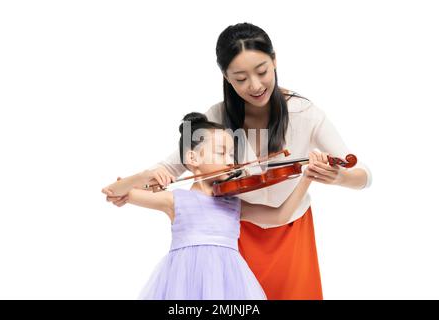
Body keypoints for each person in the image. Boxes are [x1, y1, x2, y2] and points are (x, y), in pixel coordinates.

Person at [103, 23, 372, 300]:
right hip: (232, 232)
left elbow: (363, 175)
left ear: (275, 60)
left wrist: (335, 176)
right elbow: (173, 165)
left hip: (292, 227)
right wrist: (144, 179)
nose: (255, 86)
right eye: (241, 78)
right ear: (225, 76)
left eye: (263, 71)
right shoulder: (217, 118)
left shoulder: (304, 112)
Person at [104, 112, 320, 299]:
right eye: (221, 152)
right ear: (193, 158)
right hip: (183, 279)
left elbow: (280, 217)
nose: (230, 160)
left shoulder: (233, 204)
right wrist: (145, 175)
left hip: (229, 281)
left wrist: (306, 179)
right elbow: (114, 191)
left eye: (231, 154)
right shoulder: (175, 200)